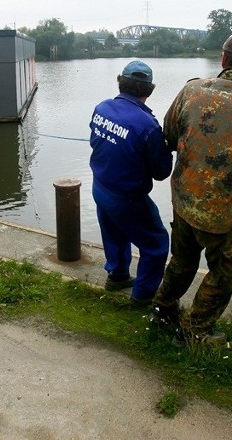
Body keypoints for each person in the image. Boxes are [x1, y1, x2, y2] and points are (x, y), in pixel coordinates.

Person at [151, 33, 232, 345]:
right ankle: (195, 331)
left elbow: (169, 133)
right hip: (222, 209)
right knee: (221, 274)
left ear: (222, 59)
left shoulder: (191, 89)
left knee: (181, 260)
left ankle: (163, 309)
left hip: (183, 199)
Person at [89, 60, 174, 305]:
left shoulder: (101, 108)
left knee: (114, 232)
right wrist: (164, 147)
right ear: (149, 90)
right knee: (156, 243)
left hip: (100, 186)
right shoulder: (148, 125)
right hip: (127, 198)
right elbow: (161, 172)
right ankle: (144, 294)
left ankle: (117, 276)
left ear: (120, 82)